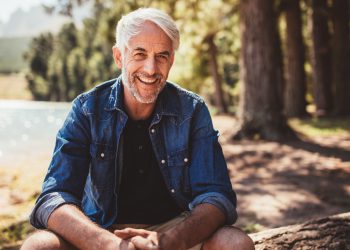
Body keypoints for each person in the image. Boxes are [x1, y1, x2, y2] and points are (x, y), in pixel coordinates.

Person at [22, 8, 254, 250]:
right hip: (101, 231)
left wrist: (168, 242)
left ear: (171, 60)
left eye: (162, 56)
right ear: (119, 56)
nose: (151, 69)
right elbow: (54, 196)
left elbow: (217, 197)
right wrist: (109, 244)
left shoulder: (192, 110)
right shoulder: (87, 109)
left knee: (234, 243)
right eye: (140, 54)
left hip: (175, 231)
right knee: (39, 246)